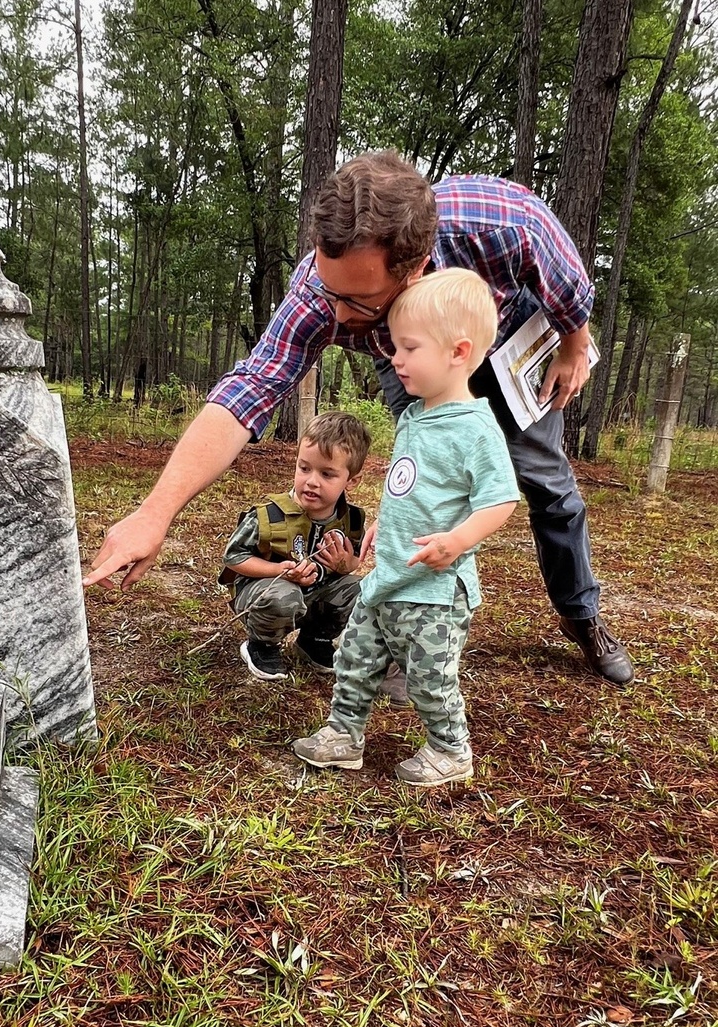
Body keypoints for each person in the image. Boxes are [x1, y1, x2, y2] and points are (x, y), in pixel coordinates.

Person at [84, 150, 634, 687]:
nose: (336, 314)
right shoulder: (322, 291)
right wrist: (156, 512)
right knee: (421, 485)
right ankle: (408, 633)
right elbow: (251, 386)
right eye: (330, 289)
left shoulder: (498, 224)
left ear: (416, 268)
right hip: (408, 345)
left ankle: (581, 616)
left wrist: (573, 345)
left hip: (508, 340)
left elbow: (567, 283)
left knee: (546, 484)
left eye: (359, 301)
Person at [291, 269, 518, 784]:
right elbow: (410, 486)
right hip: (387, 579)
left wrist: (456, 541)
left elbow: (500, 500)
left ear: (457, 353)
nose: (395, 359)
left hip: (435, 591)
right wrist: (383, 528)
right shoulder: (414, 416)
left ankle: (450, 750)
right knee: (354, 656)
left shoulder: (477, 429)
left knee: (430, 678)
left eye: (409, 348)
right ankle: (344, 735)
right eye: (394, 346)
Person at [221, 411, 370, 682]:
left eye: (327, 474)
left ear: (352, 480)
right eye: (304, 468)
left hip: (314, 596)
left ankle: (314, 640)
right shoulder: (269, 514)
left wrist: (344, 564)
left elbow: (353, 563)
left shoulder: (352, 519)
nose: (312, 481)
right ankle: (262, 644)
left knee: (365, 590)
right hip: (264, 594)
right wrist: (278, 569)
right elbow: (233, 557)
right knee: (283, 595)